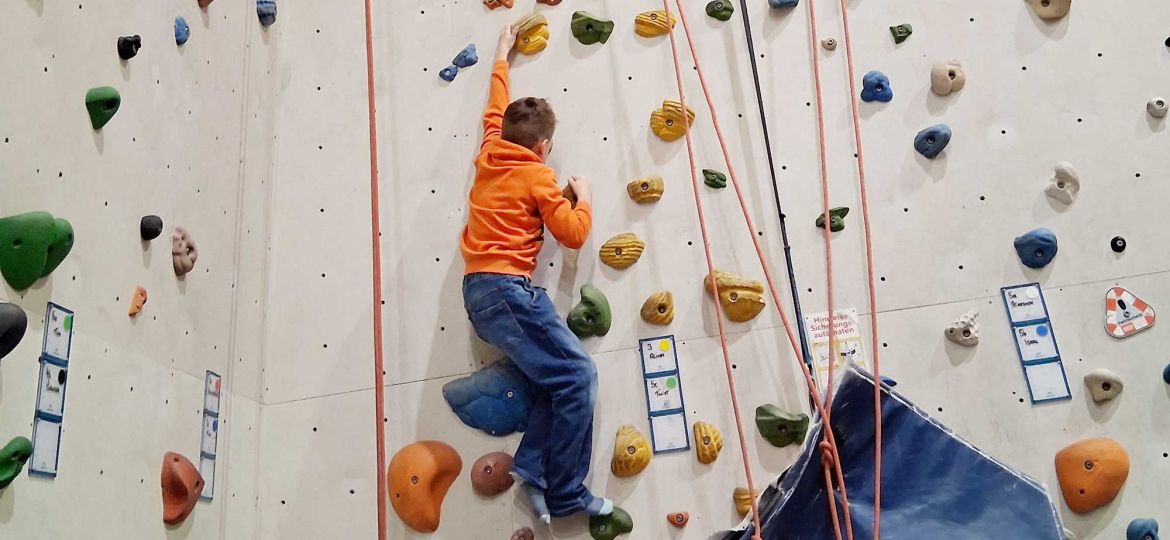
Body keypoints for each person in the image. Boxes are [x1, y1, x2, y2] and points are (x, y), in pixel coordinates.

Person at [459, 24, 612, 524]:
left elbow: (493, 108)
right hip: (507, 290)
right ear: (544, 145)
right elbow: (572, 233)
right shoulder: (538, 175)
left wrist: (501, 55)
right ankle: (567, 492)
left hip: (481, 293)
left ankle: (532, 471)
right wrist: (584, 196)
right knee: (580, 375)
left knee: (559, 380)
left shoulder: (488, 153)